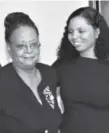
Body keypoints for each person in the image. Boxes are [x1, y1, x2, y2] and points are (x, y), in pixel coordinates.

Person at [0, 12, 61, 133]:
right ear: (9, 47)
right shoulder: (2, 82)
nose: (29, 50)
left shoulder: (50, 74)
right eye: (21, 46)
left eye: (33, 44)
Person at [52, 6, 109, 133]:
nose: (74, 36)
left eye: (81, 31)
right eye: (70, 31)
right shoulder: (62, 65)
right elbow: (36, 91)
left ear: (97, 32)